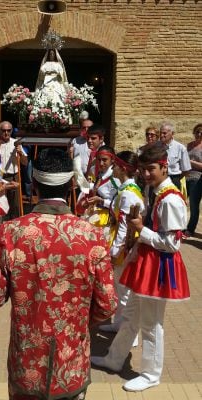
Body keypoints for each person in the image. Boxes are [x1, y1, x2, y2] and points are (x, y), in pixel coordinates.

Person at [0, 148, 117, 400]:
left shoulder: (11, 232)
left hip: (26, 358)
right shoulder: (92, 235)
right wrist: (78, 321)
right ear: (71, 183)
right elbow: (107, 304)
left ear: (34, 184)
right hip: (70, 360)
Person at [91, 142, 190, 392]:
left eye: (152, 169)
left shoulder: (171, 201)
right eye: (143, 169)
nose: (146, 174)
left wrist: (140, 230)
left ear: (165, 167)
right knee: (130, 316)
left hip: (159, 267)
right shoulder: (154, 192)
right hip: (146, 262)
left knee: (151, 324)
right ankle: (115, 359)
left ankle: (150, 373)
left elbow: (172, 244)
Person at [99, 151, 144, 339]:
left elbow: (125, 227)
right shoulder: (127, 190)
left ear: (123, 168)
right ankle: (119, 324)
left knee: (123, 290)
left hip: (125, 247)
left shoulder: (127, 193)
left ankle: (129, 335)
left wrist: (115, 251)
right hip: (123, 243)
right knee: (119, 289)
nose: (113, 168)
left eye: (115, 165)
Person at [76, 145, 120, 232]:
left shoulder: (115, 178)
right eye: (99, 160)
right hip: (96, 213)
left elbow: (118, 204)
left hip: (106, 218)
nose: (101, 163)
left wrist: (101, 201)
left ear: (112, 160)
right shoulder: (100, 174)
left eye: (104, 160)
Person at [0, 121, 28, 220]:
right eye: (3, 130)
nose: (6, 133)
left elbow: (25, 162)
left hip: (14, 176)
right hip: (0, 177)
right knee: (1, 203)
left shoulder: (16, 143)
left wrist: (21, 153)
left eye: (8, 130)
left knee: (15, 205)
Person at [159, 121, 191, 190]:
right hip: (159, 180)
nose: (161, 135)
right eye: (160, 133)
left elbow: (186, 170)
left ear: (172, 134)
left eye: (164, 133)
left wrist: (176, 178)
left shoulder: (180, 148)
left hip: (174, 180)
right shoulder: (156, 147)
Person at [184, 123, 202, 237]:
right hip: (185, 177)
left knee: (194, 205)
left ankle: (190, 229)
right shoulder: (189, 145)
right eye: (197, 132)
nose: (199, 134)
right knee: (181, 203)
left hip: (197, 179)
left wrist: (190, 162)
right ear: (194, 133)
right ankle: (179, 227)